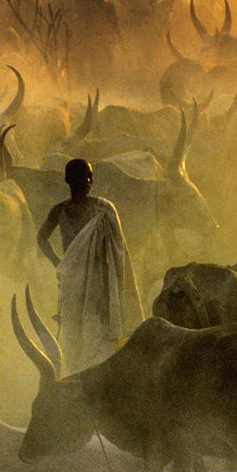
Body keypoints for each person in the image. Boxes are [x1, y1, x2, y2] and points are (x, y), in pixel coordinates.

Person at [36, 158, 141, 372]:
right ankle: (75, 376)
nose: (85, 182)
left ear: (92, 180)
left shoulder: (103, 210)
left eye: (88, 177)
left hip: (98, 285)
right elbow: (41, 238)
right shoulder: (59, 211)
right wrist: (58, 263)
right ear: (68, 180)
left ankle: (98, 376)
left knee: (97, 333)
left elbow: (119, 250)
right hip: (72, 283)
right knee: (72, 334)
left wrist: (111, 280)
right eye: (79, 177)